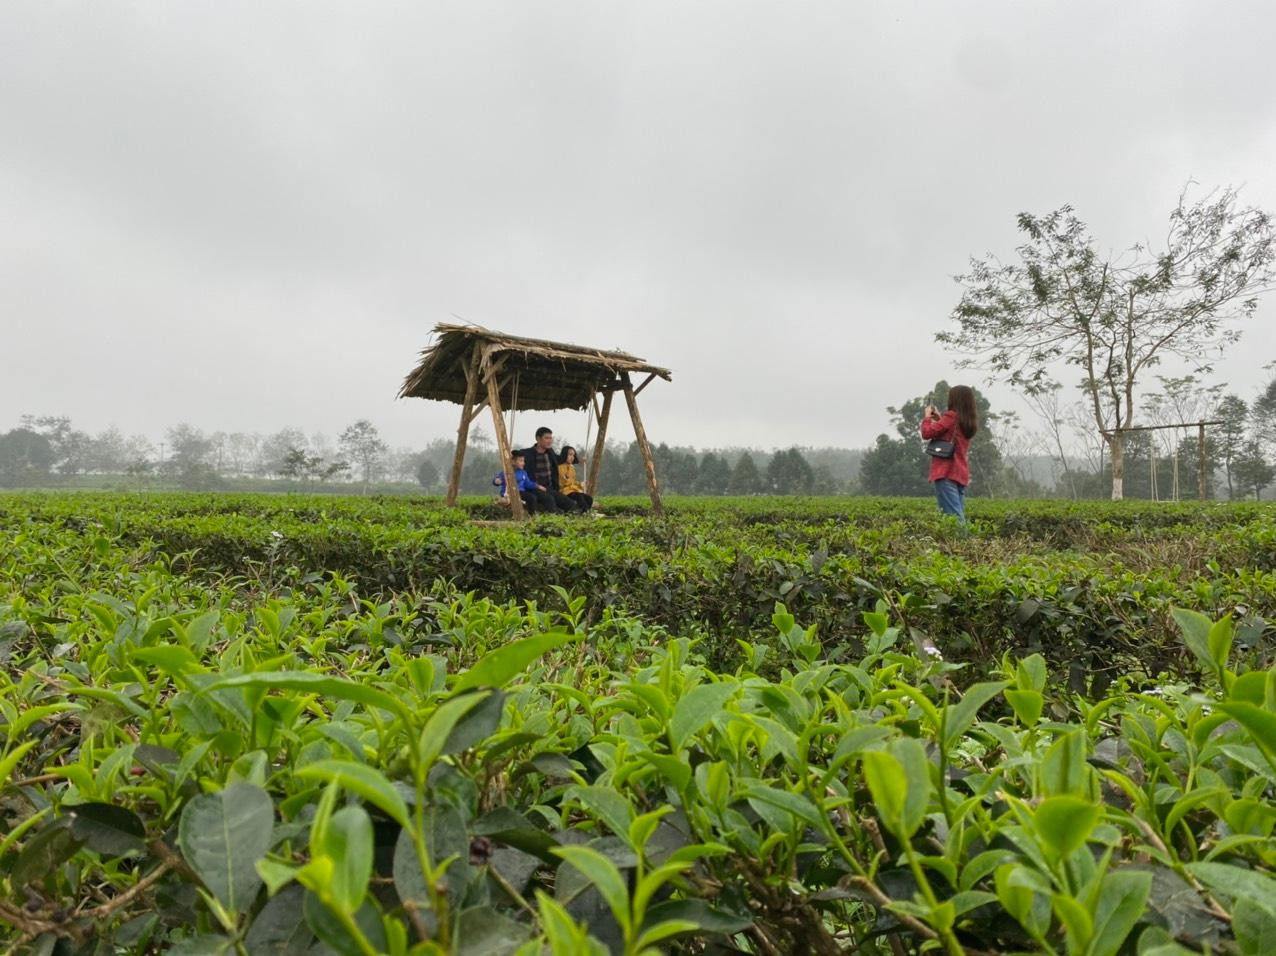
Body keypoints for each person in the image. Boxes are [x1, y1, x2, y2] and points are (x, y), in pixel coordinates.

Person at [921, 385, 978, 523]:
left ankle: (964, 544)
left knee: (954, 519)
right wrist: (940, 417)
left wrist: (927, 417)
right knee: (956, 514)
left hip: (946, 472)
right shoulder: (968, 421)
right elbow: (950, 431)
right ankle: (963, 544)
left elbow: (927, 433)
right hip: (960, 473)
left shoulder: (951, 417)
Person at [517, 427, 579, 513]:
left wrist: (578, 460)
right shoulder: (527, 454)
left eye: (551, 438)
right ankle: (555, 520)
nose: (550, 441)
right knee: (549, 500)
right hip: (534, 488)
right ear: (538, 439)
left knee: (570, 504)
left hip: (549, 488)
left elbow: (560, 459)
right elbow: (515, 460)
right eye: (546, 438)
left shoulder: (550, 452)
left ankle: (574, 520)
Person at [557, 445, 593, 513]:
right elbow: (564, 482)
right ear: (565, 455)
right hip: (564, 491)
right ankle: (585, 514)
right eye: (570, 455)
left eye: (573, 455)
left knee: (589, 499)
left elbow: (573, 481)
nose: (572, 457)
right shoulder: (559, 467)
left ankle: (585, 512)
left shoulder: (572, 468)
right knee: (580, 498)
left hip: (573, 490)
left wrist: (581, 484)